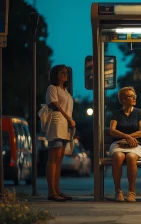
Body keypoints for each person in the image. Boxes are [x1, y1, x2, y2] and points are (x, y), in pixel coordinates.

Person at [109, 86, 141, 202]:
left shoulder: (139, 113)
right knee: (118, 156)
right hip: (118, 143)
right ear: (123, 99)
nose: (134, 98)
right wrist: (127, 137)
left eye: (134, 96)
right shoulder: (117, 114)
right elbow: (112, 130)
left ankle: (131, 192)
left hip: (136, 144)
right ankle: (118, 191)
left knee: (130, 157)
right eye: (131, 96)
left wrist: (130, 138)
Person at [45, 65, 75, 202]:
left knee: (59, 160)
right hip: (57, 124)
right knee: (53, 159)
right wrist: (69, 118)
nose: (65, 74)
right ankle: (51, 192)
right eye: (62, 72)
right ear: (55, 75)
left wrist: (70, 120)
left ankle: (57, 190)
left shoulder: (66, 91)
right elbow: (55, 105)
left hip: (65, 127)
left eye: (66, 72)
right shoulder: (52, 88)